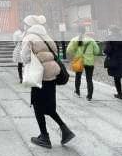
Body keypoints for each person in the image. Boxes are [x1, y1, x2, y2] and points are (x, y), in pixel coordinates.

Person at [21, 15, 75, 148]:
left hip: (39, 75)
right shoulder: (46, 36)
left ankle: (44, 137)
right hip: (52, 74)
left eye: (25, 24)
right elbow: (55, 51)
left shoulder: (29, 37)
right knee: (49, 106)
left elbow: (25, 57)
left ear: (29, 25)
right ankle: (65, 130)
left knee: (37, 105)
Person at [67, 26, 99, 100]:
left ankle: (77, 91)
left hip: (79, 61)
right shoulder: (91, 40)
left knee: (78, 76)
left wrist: (75, 53)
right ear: (85, 31)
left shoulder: (74, 40)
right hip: (89, 61)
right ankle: (89, 95)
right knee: (89, 79)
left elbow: (69, 50)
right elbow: (97, 51)